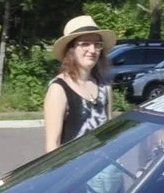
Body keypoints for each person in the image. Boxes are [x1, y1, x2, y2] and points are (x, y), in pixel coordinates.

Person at [42, 14, 117, 151]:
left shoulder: (105, 86)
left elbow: (109, 133)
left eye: (97, 44)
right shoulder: (59, 89)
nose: (92, 50)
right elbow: (52, 145)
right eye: (85, 44)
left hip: (106, 169)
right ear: (71, 49)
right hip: (75, 170)